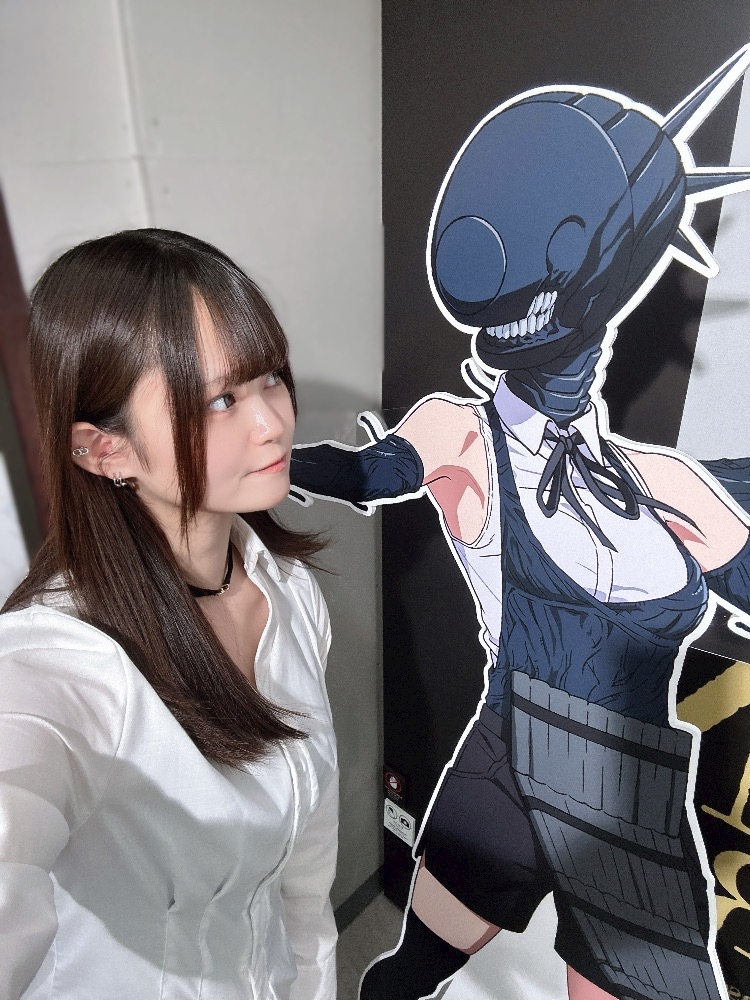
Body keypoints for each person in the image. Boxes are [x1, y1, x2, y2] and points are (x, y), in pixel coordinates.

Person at [0, 229, 338, 1000]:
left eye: (270, 378)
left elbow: (307, 863)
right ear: (104, 451)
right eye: (220, 400)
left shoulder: (288, 591)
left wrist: (315, 981)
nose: (272, 422)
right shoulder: (65, 661)